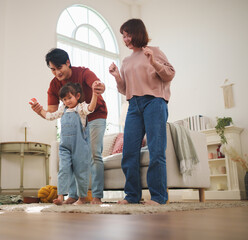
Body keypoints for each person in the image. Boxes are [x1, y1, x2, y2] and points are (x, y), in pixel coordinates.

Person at [109, 18, 175, 205]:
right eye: (123, 35)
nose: (125, 39)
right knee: (129, 152)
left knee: (156, 150)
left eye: (128, 34)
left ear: (138, 33)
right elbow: (125, 89)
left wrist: (153, 61)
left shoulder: (154, 51)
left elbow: (169, 74)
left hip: (154, 102)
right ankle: (132, 196)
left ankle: (158, 197)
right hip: (134, 105)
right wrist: (117, 76)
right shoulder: (127, 60)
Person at [31, 48, 107, 204]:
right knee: (73, 158)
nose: (57, 73)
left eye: (59, 68)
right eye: (52, 69)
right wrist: (39, 110)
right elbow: (51, 113)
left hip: (95, 114)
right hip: (76, 122)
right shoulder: (54, 85)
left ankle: (97, 196)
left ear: (68, 63)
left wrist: (99, 87)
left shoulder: (83, 73)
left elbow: (97, 84)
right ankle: (72, 195)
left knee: (93, 153)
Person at [32, 82, 98, 205]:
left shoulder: (81, 108)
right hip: (65, 147)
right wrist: (39, 109)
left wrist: (95, 94)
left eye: (69, 98)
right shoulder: (63, 109)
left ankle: (82, 198)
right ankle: (60, 196)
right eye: (64, 99)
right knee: (63, 169)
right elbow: (50, 116)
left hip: (80, 147)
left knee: (81, 172)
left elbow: (91, 108)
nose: (67, 101)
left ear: (77, 96)